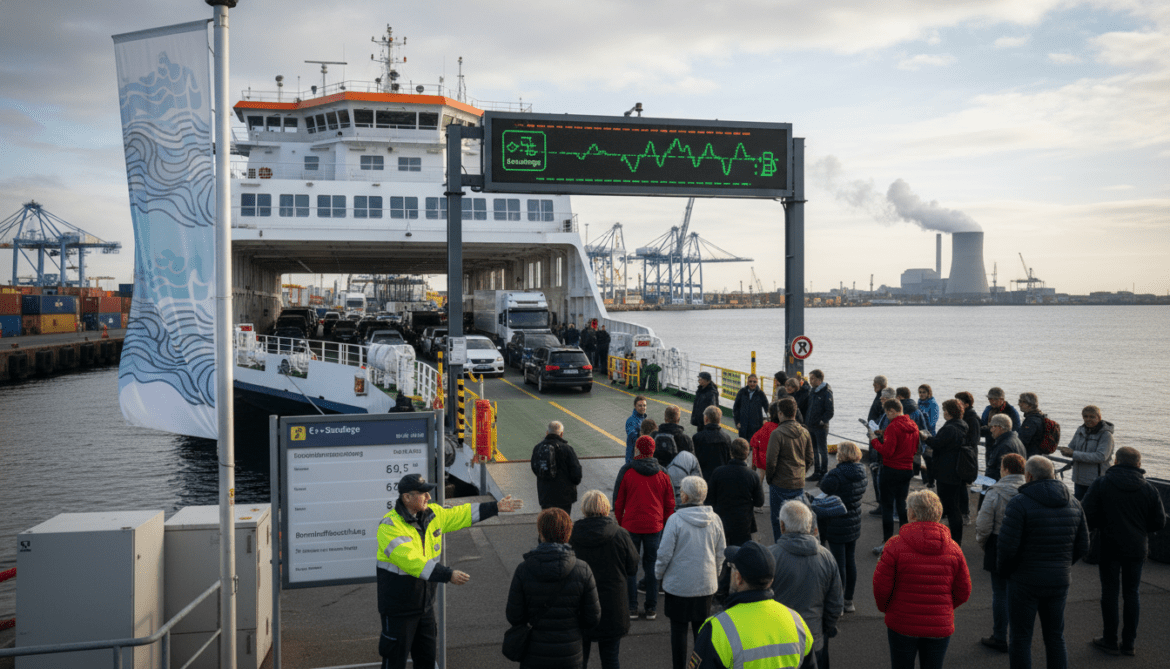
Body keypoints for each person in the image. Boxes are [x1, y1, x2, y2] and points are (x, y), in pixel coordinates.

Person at [377, 474, 523, 669]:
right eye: (423, 493)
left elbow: (461, 514)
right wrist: (448, 574)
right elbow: (412, 561)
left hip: (425, 608)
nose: (429, 497)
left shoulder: (432, 514)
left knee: (427, 661)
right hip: (398, 612)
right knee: (394, 663)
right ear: (407, 497)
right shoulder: (389, 526)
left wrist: (495, 507)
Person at [997, 455, 1090, 669]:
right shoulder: (1074, 503)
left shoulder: (1019, 503)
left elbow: (1007, 547)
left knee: (1021, 637)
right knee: (1055, 636)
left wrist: (1006, 572)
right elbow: (1083, 545)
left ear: (1028, 476)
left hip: (1024, 580)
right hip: (1059, 579)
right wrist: (1063, 564)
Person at [1082, 447, 1167, 657]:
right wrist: (1141, 529)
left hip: (1108, 545)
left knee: (1109, 592)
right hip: (1136, 547)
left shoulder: (1102, 484)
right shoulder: (1149, 489)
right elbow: (1159, 522)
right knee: (1132, 593)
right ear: (1139, 464)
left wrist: (1101, 525)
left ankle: (1110, 640)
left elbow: (1086, 514)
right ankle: (1129, 643)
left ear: (1116, 461)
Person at [873, 490, 971, 669]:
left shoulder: (894, 545)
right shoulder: (954, 549)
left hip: (902, 622)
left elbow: (881, 586)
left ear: (912, 514)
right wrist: (945, 607)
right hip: (939, 625)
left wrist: (888, 608)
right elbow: (963, 591)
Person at [689, 541, 816, 669]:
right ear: (771, 580)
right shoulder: (797, 623)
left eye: (732, 567)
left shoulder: (716, 630)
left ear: (738, 578)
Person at [506, 508, 602, 669]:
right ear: (568, 533)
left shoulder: (524, 569)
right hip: (570, 652)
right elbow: (592, 617)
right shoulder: (582, 569)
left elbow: (514, 616)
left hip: (534, 652)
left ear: (541, 533)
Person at [655, 476, 727, 669]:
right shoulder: (715, 519)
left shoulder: (675, 520)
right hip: (705, 585)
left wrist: (658, 574)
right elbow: (721, 552)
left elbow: (664, 554)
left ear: (685, 496)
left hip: (678, 586)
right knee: (701, 633)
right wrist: (714, 574)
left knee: (678, 631)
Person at [769, 500, 844, 669]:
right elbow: (835, 604)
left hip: (779, 642)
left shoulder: (770, 557)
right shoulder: (826, 557)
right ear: (809, 525)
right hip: (814, 638)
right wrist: (824, 630)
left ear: (782, 526)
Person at [570, 491, 640, 669]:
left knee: (579, 659)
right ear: (606, 508)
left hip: (581, 605)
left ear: (584, 508)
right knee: (610, 658)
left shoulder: (572, 534)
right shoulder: (620, 534)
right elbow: (632, 568)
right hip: (613, 606)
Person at [613, 435, 676, 620]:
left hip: (631, 525)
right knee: (651, 566)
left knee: (631, 566)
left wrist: (620, 523)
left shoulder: (627, 471)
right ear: (653, 450)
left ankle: (632, 607)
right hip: (654, 526)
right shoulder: (663, 473)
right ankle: (651, 608)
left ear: (637, 449)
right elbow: (670, 503)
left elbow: (618, 501)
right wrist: (664, 524)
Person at [975, 453, 1027, 653]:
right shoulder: (1030, 490)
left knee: (1000, 593)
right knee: (1021, 593)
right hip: (1024, 545)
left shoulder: (995, 491)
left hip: (998, 542)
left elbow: (983, 525)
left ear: (1005, 469)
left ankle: (999, 636)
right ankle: (1020, 636)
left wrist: (984, 544)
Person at [818, 441, 868, 613]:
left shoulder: (836, 475)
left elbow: (824, 486)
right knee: (850, 561)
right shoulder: (862, 472)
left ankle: (837, 601)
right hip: (853, 521)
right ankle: (848, 600)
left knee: (838, 564)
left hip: (836, 522)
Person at [869, 398, 918, 554]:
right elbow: (915, 448)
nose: (886, 416)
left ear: (891, 411)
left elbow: (887, 451)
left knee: (887, 507)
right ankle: (905, 541)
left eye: (887, 413)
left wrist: (874, 440)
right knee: (902, 505)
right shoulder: (913, 426)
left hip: (891, 470)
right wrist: (885, 434)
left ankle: (887, 542)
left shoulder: (893, 427)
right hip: (907, 469)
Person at [919, 399, 968, 544]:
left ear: (951, 412)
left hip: (946, 472)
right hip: (956, 470)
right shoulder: (962, 424)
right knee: (954, 506)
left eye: (945, 410)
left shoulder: (950, 428)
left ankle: (955, 541)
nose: (943, 412)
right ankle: (955, 539)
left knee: (951, 508)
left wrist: (926, 438)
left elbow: (937, 444)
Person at [766, 397, 814, 541]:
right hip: (798, 483)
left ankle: (780, 547)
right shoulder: (804, 432)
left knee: (778, 520)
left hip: (780, 483)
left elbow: (771, 461)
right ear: (794, 412)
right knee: (797, 520)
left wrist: (770, 478)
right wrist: (801, 473)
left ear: (780, 413)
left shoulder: (777, 434)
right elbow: (810, 458)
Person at [708, 438, 764, 546]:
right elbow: (759, 502)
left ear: (731, 453)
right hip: (744, 522)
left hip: (721, 520)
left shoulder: (718, 472)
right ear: (747, 454)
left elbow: (710, 498)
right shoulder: (752, 475)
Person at [1059, 405, 1115, 501]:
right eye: (1085, 416)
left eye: (1092, 417)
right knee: (1079, 506)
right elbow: (1072, 447)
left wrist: (1073, 454)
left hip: (1096, 481)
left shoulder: (1106, 435)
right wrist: (1065, 451)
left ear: (1099, 417)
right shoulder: (1080, 430)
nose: (1088, 419)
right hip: (1079, 480)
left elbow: (1101, 457)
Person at [532, 421, 583, 515]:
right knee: (563, 522)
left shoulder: (538, 448)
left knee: (547, 521)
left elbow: (535, 469)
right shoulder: (567, 449)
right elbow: (576, 474)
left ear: (547, 432)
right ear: (561, 434)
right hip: (564, 498)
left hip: (545, 496)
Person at [866, 386, 899, 517]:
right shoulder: (885, 414)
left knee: (886, 485)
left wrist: (876, 435)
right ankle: (882, 506)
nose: (880, 400)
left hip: (884, 455)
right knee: (879, 483)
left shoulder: (891, 416)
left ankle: (889, 510)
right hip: (879, 453)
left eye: (883, 398)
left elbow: (889, 437)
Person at [955, 391, 982, 520]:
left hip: (966, 455)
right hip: (964, 453)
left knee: (962, 485)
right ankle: (961, 511)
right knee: (959, 484)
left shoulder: (971, 418)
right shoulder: (965, 416)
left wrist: (960, 443)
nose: (956, 403)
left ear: (966, 404)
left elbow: (974, 440)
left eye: (959, 401)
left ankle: (965, 513)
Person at [804, 369, 834, 481]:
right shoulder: (813, 390)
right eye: (810, 378)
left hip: (820, 428)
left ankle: (824, 473)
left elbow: (830, 412)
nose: (810, 381)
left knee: (822, 451)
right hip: (811, 426)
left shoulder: (826, 392)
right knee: (814, 450)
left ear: (819, 379)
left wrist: (821, 422)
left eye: (812, 379)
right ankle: (816, 472)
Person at [692, 405, 732, 484]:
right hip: (720, 478)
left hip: (701, 478)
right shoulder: (726, 438)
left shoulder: (697, 437)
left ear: (706, 419)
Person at [985, 414, 1026, 484]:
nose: (991, 430)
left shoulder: (1005, 446)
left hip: (1001, 487)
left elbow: (1002, 473)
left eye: (992, 427)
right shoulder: (1016, 441)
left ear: (1000, 427)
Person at [980, 387, 1022, 453]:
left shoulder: (1011, 411)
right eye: (990, 399)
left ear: (1002, 399)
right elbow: (983, 425)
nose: (993, 401)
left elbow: (1015, 431)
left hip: (1005, 446)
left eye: (996, 399)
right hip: (990, 445)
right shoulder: (988, 410)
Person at [749, 401, 782, 484]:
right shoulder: (782, 428)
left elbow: (753, 441)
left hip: (762, 459)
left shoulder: (767, 426)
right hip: (777, 462)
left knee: (761, 476)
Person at [732, 374, 769, 441]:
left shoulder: (760, 394)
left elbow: (767, 409)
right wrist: (737, 422)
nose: (752, 384)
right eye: (750, 381)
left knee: (754, 445)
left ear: (757, 382)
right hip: (743, 426)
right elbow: (735, 408)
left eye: (754, 382)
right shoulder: (742, 392)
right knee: (742, 444)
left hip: (756, 427)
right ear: (747, 382)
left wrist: (768, 420)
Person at [917, 384, 939, 488]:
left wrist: (923, 418)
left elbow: (932, 422)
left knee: (929, 460)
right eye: (920, 392)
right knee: (918, 458)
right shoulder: (918, 403)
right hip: (919, 434)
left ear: (929, 393)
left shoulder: (933, 404)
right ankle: (925, 479)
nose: (921, 394)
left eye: (924, 392)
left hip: (929, 435)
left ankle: (931, 482)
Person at [1016, 393, 1047, 458]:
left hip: (1030, 456)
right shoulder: (1040, 416)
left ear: (1029, 404)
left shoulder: (1031, 421)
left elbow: (1022, 441)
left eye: (1021, 401)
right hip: (1037, 455)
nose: (1019, 404)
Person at [624, 395, 648, 464]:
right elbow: (633, 438)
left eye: (644, 405)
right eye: (640, 406)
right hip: (633, 458)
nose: (643, 407)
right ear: (635, 406)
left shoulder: (644, 419)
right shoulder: (631, 421)